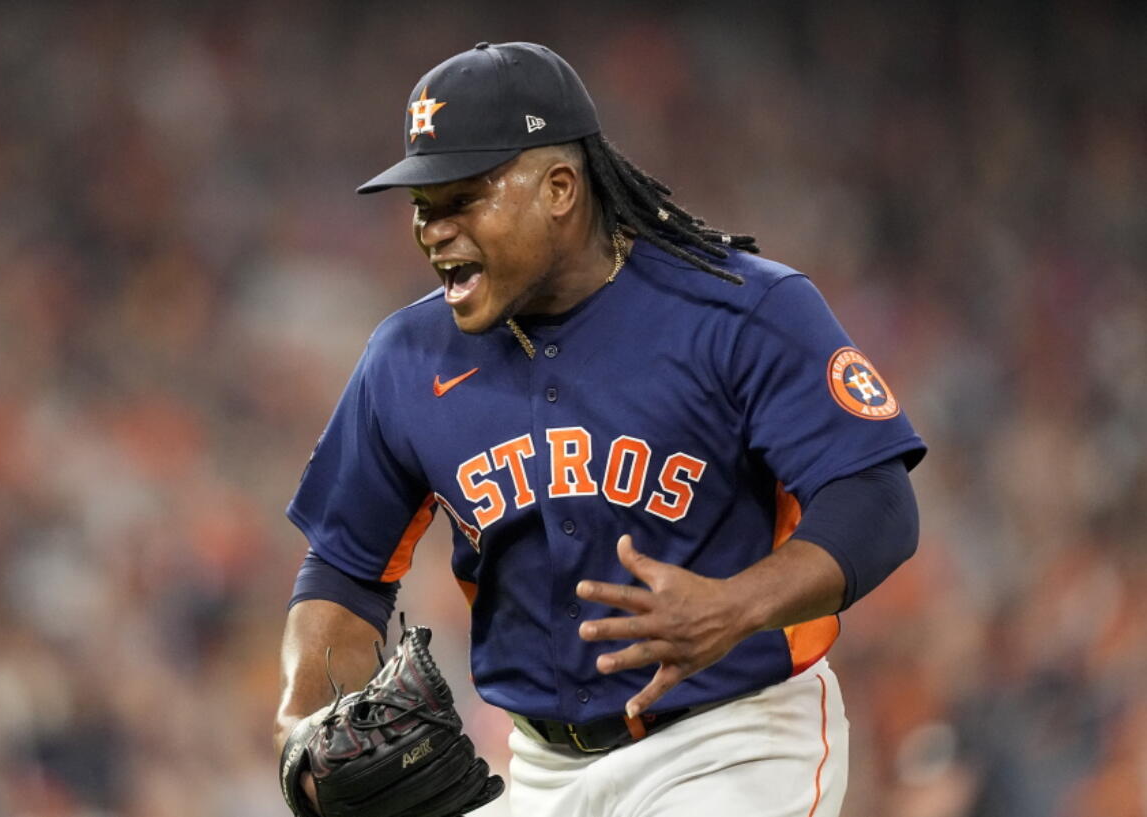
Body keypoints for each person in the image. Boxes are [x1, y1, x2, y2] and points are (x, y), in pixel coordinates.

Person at [274, 41, 925, 816]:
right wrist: (303, 723)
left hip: (734, 741)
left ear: (558, 188)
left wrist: (738, 604)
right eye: (423, 207)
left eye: (461, 200)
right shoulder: (406, 359)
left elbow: (876, 497)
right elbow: (344, 571)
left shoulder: (740, 311)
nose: (433, 231)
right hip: (538, 770)